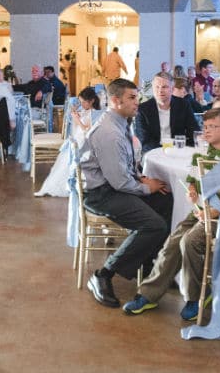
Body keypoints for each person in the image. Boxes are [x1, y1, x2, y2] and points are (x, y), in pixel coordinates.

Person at [122, 108, 220, 319]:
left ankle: (194, 297)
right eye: (205, 127)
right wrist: (193, 192)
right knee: (171, 244)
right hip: (199, 214)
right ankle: (148, 295)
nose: (206, 131)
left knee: (189, 242)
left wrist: (216, 211)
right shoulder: (200, 155)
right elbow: (192, 183)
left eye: (213, 127)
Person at [81, 79, 173, 308]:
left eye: (136, 97)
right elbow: (119, 182)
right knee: (154, 225)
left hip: (114, 185)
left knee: (165, 200)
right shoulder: (109, 132)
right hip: (101, 193)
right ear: (115, 100)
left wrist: (142, 179)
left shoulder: (121, 122)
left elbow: (123, 168)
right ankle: (103, 274)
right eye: (132, 98)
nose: (137, 102)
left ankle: (149, 262)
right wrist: (145, 187)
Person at [35, 87, 102, 198]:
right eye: (81, 102)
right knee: (61, 165)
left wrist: (78, 121)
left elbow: (88, 131)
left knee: (66, 164)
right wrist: (76, 116)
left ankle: (66, 187)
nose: (82, 104)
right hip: (77, 141)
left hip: (84, 145)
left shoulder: (94, 113)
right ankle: (49, 187)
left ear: (92, 101)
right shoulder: (85, 111)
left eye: (84, 102)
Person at [134, 72, 199, 154]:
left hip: (179, 150)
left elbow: (194, 130)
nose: (160, 90)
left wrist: (186, 150)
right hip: (153, 152)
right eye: (157, 87)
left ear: (172, 89)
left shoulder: (183, 105)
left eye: (164, 87)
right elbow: (144, 141)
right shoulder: (143, 109)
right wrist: (164, 151)